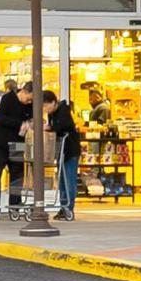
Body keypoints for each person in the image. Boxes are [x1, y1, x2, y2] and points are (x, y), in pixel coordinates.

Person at [0, 78, 34, 219]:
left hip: (18, 143)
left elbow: (31, 119)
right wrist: (20, 124)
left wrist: (29, 123)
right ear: (24, 91)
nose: (29, 103)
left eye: (31, 101)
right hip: (0, 144)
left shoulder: (30, 106)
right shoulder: (7, 99)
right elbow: (0, 118)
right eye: (29, 99)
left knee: (17, 177)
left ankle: (15, 206)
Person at [46, 88, 84, 220]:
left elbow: (62, 126)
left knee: (69, 180)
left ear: (53, 102)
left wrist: (49, 128)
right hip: (61, 151)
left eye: (46, 105)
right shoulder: (52, 114)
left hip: (70, 150)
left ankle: (69, 208)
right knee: (61, 180)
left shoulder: (63, 110)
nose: (45, 109)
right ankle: (63, 207)